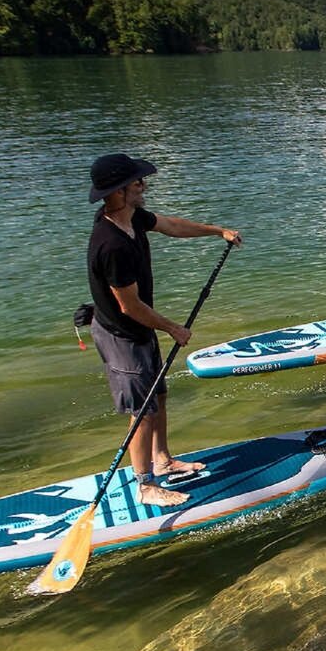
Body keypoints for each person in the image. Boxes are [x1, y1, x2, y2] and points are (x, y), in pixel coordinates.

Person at [86, 152, 242, 508]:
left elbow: (171, 225)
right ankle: (145, 485)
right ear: (119, 191)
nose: (144, 185)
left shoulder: (133, 218)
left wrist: (217, 231)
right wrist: (173, 328)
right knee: (141, 411)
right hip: (121, 334)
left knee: (158, 397)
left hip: (138, 327)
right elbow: (129, 306)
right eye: (138, 182)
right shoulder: (110, 244)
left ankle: (163, 459)